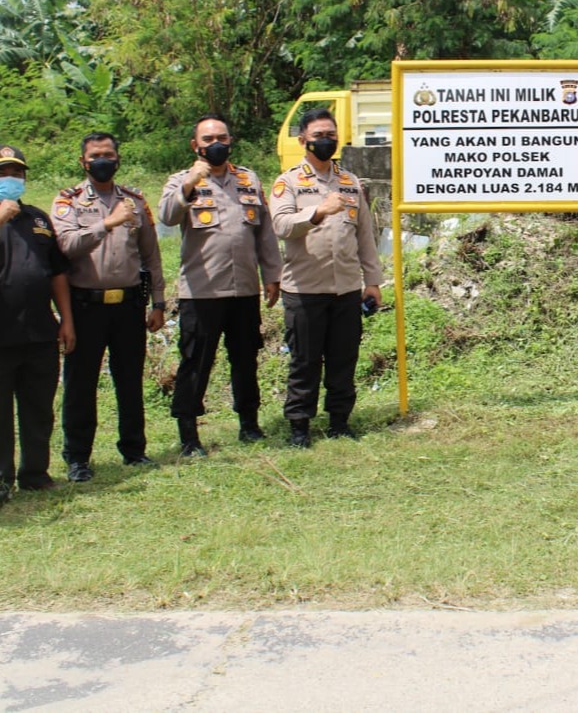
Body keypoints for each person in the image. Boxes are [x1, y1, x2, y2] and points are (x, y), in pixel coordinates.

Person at [158, 114, 283, 456]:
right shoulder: (181, 180)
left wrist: (272, 274)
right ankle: (188, 434)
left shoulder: (247, 179)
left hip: (243, 288)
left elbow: (265, 232)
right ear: (195, 145)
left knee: (245, 358)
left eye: (222, 138)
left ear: (230, 141)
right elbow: (167, 217)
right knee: (196, 361)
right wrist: (189, 185)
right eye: (208, 139)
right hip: (202, 291)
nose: (216, 144)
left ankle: (249, 423)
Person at [51, 132, 166, 483]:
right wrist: (106, 223)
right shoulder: (67, 202)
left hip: (129, 305)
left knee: (130, 381)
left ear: (118, 158)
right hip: (86, 306)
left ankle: (134, 449)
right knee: (81, 385)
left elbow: (151, 254)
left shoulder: (135, 201)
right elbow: (65, 246)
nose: (103, 160)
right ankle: (77, 458)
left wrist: (159, 301)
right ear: (83, 162)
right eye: (95, 155)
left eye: (109, 154)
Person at [269, 108, 383, 447]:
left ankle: (340, 422)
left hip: (346, 289)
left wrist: (373, 281)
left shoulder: (350, 182)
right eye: (318, 135)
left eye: (331, 135)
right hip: (304, 289)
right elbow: (281, 226)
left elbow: (365, 236)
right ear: (303, 140)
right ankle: (300, 427)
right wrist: (318, 212)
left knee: (343, 359)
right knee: (304, 361)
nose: (325, 141)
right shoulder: (287, 182)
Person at [0, 146, 75, 502]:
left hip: (40, 332)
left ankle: (35, 473)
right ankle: (2, 478)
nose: (10, 180)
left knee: (38, 408)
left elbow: (57, 272)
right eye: (3, 173)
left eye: (16, 173)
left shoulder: (39, 219)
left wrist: (66, 320)